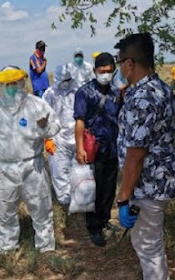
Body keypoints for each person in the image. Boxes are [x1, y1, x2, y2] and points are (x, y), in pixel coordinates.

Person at [0, 66, 61, 255]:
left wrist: (45, 127)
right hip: (5, 168)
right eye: (7, 84)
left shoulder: (36, 104)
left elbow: (55, 127)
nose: (11, 88)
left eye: (14, 83)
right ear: (1, 86)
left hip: (33, 165)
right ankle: (6, 247)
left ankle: (45, 247)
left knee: (41, 207)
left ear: (22, 82)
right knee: (4, 210)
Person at [115, 32, 175, 280]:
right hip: (161, 180)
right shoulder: (162, 89)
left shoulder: (141, 98)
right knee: (152, 245)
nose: (119, 70)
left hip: (147, 185)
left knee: (148, 247)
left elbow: (135, 156)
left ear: (130, 64)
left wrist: (123, 198)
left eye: (119, 63)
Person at [74, 53, 121, 247]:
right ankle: (94, 227)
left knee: (109, 187)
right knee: (95, 188)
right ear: (95, 71)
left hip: (112, 146)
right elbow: (79, 121)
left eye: (110, 71)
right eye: (102, 72)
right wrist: (79, 148)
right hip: (94, 148)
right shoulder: (85, 92)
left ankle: (105, 219)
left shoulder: (116, 92)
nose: (106, 75)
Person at [43, 64, 79, 205]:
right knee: (60, 171)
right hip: (58, 138)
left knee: (77, 170)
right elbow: (44, 118)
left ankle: (78, 200)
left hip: (76, 136)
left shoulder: (76, 91)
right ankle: (65, 203)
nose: (65, 84)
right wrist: (48, 139)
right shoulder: (50, 94)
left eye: (68, 80)